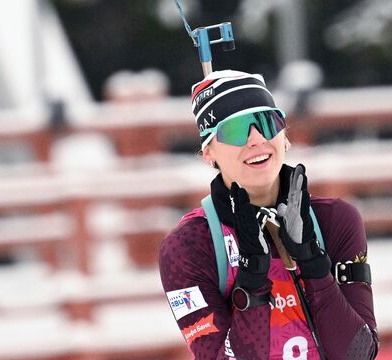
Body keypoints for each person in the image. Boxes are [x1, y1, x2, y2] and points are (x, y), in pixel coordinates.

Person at [159, 70, 379, 359]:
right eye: (236, 130)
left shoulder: (335, 220)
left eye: (265, 121)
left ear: (284, 136)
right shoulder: (189, 245)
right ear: (208, 152)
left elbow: (358, 354)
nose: (256, 140)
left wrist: (313, 262)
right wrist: (252, 278)